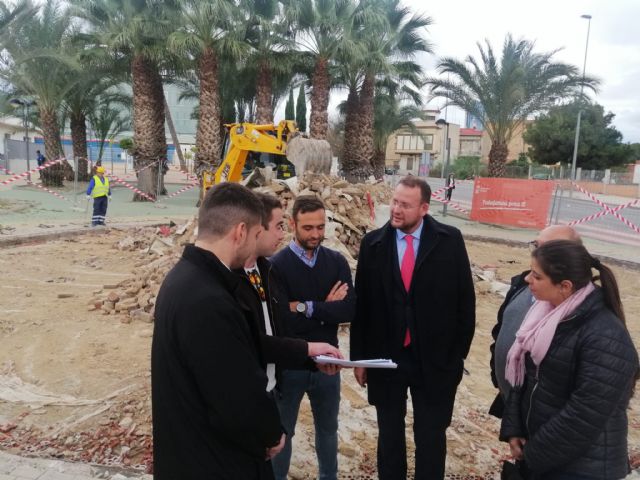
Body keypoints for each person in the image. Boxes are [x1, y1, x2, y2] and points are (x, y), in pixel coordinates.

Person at [151, 183, 285, 480]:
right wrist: (271, 433)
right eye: (256, 235)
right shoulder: (209, 299)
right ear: (240, 232)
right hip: (214, 463)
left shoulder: (182, 279)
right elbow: (236, 397)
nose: (255, 244)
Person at [351, 176, 475, 480]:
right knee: (389, 436)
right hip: (385, 358)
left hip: (434, 360)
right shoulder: (373, 244)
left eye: (405, 205)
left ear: (424, 208)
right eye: (395, 201)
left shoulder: (449, 241)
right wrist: (360, 359)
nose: (396, 209)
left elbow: (465, 302)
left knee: (431, 437)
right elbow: (362, 306)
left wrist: (456, 355)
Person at [500, 240, 639, 479]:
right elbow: (525, 376)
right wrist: (514, 429)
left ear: (565, 286)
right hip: (545, 457)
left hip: (582, 468)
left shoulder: (604, 335)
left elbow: (585, 414)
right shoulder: (545, 316)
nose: (527, 279)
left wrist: (532, 454)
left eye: (537, 276)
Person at [270, 195, 355, 480]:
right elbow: (282, 323)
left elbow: (349, 310)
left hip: (328, 365)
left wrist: (306, 307)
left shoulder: (336, 262)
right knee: (282, 434)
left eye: (320, 227)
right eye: (308, 228)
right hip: (290, 366)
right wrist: (326, 309)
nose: (315, 234)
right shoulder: (276, 266)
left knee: (328, 431)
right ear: (292, 224)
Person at [239, 192, 343, 394]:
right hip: (248, 391)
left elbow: (280, 328)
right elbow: (252, 341)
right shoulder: (235, 278)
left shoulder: (266, 272)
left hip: (272, 385)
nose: (282, 235)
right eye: (279, 226)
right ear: (257, 228)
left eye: (320, 227)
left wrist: (311, 360)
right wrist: (325, 313)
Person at [489, 225, 582, 418]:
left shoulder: (582, 310)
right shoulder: (523, 284)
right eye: (536, 246)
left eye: (546, 248)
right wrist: (497, 376)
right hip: (513, 402)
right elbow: (501, 329)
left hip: (544, 417)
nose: (537, 254)